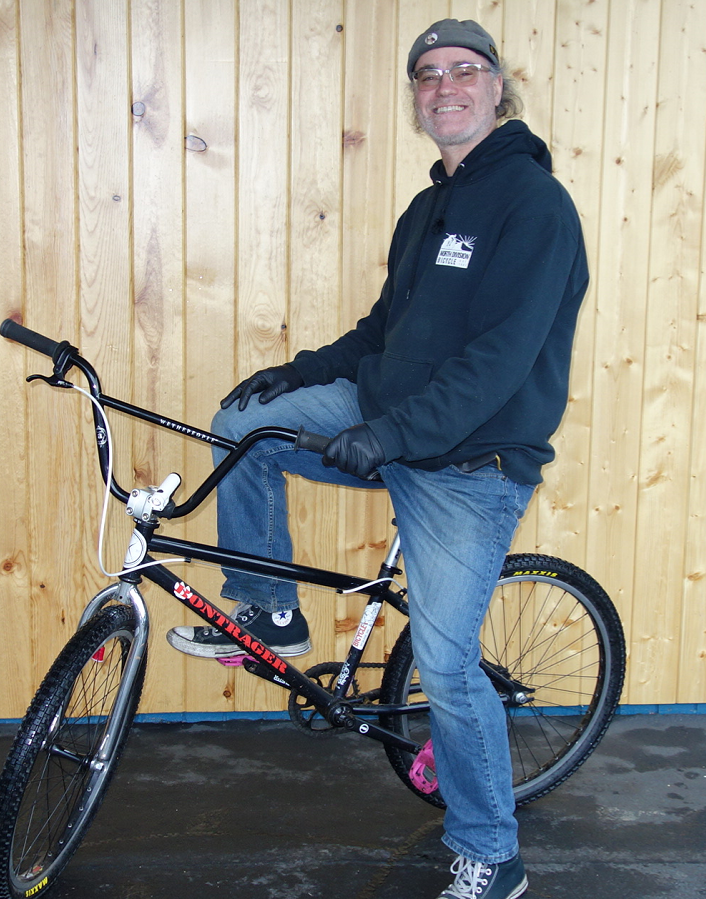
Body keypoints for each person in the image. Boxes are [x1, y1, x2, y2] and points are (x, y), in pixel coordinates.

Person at [166, 18, 588, 899]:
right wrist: (301, 372)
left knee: (446, 665)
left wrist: (391, 436)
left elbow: (498, 363)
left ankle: (493, 855)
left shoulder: (535, 206)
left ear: (497, 86)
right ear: (416, 98)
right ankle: (270, 612)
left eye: (463, 70)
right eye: (427, 75)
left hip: (468, 466)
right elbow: (381, 334)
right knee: (242, 427)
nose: (445, 87)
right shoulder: (427, 209)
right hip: (384, 419)